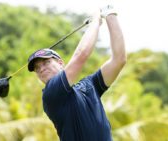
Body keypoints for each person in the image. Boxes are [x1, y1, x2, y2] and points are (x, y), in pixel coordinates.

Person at [27, 5, 126, 141]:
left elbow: (119, 60)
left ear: (60, 63)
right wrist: (95, 20)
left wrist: (110, 15)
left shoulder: (89, 85)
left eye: (46, 63)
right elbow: (82, 55)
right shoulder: (51, 93)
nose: (41, 69)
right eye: (37, 68)